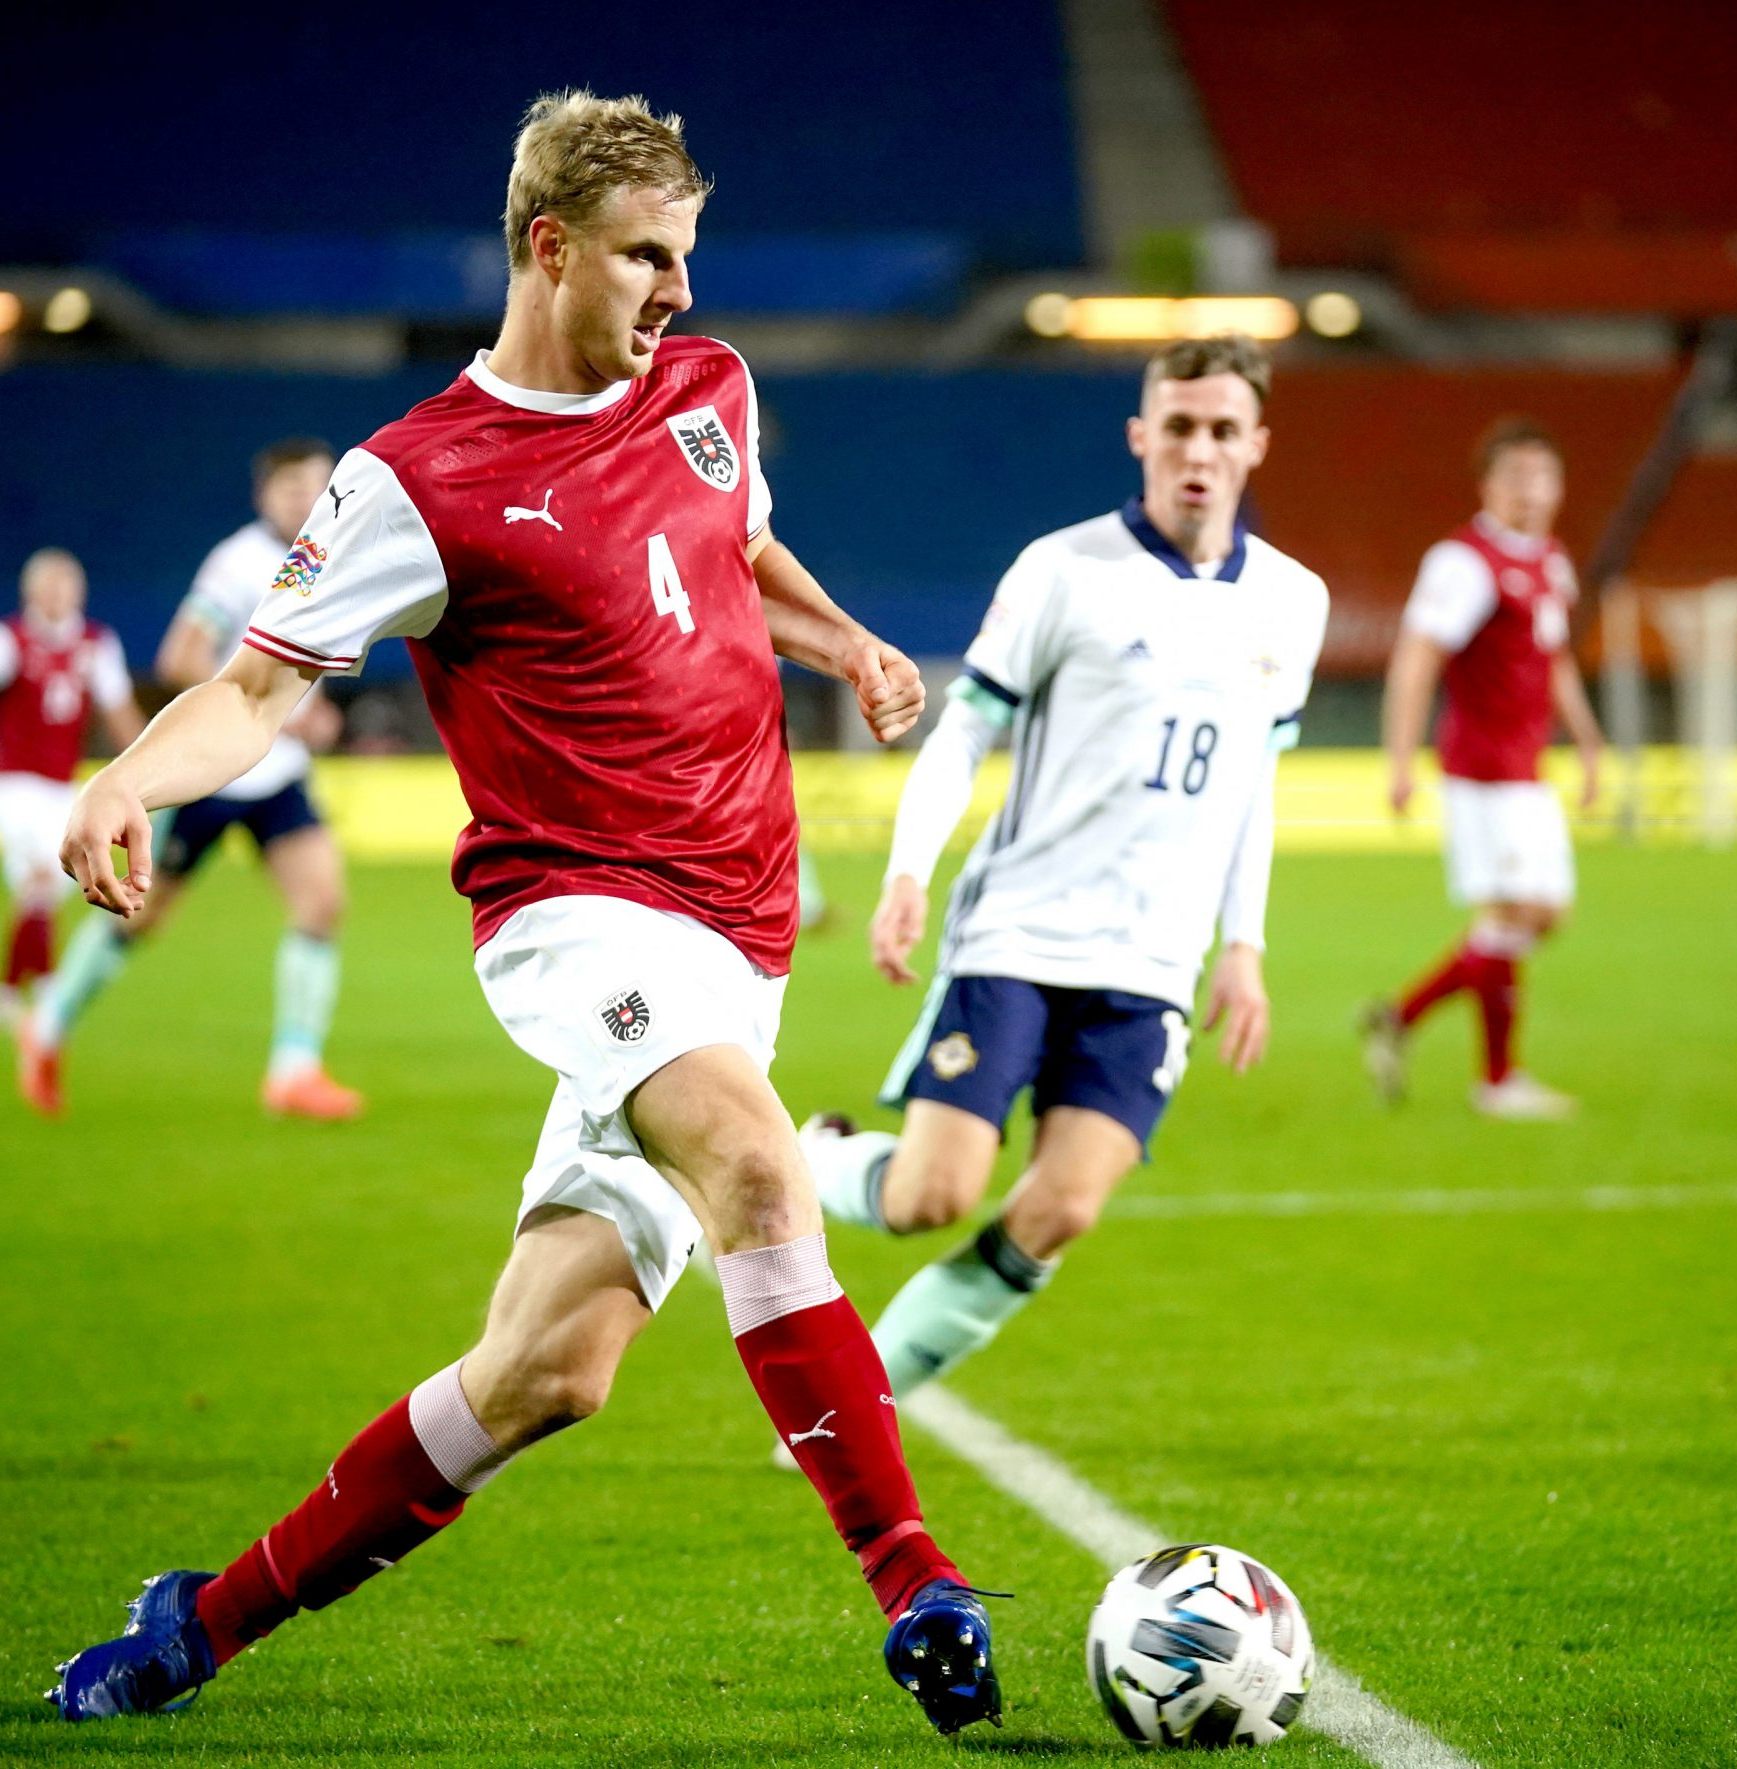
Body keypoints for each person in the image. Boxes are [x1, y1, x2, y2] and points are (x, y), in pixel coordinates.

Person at [47, 90, 999, 1738]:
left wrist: (840, 642)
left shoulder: (708, 390)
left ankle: (195, 1622)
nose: (677, 295)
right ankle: (919, 1580)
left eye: (686, 258)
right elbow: (263, 687)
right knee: (761, 1164)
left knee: (543, 1372)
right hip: (579, 914)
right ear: (548, 249)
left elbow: (740, 553)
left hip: (739, 928)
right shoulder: (414, 479)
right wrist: (132, 770)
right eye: (646, 258)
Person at [795, 334, 1327, 1409]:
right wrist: (908, 873)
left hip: (1153, 961)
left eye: (1222, 429)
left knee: (1062, 1208)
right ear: (1140, 435)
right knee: (929, 1194)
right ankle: (809, 1162)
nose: (1198, 449)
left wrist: (1246, 945)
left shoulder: (1290, 600)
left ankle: (856, 1411)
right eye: (1178, 425)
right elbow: (962, 731)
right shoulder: (1063, 569)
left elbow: (1249, 790)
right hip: (1021, 932)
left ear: (1254, 444)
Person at [17, 440, 361, 1120]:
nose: (305, 498)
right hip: (215, 772)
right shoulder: (236, 564)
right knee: (139, 919)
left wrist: (309, 717)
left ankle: (293, 1070)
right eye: (292, 486)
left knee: (321, 902)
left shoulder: (322, 555)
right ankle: (49, 1019)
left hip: (278, 777)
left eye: (317, 485)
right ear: (264, 493)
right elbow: (182, 656)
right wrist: (273, 713)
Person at [1360, 418, 1603, 1118]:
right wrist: (1399, 759)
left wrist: (1586, 742)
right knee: (1512, 909)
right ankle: (1497, 1079)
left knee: (1544, 913)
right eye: (1515, 476)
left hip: (1527, 769)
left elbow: (1551, 660)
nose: (1530, 490)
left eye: (1542, 476)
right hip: (1479, 769)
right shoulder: (1462, 563)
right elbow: (1417, 656)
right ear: (1487, 485)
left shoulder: (1550, 561)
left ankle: (1399, 1017)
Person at [0, 549, 142, 1039]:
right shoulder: (10, 640)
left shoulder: (95, 644)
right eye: (50, 586)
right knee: (40, 879)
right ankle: (33, 990)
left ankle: (24, 987)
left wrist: (147, 763)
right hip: (14, 784)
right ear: (31, 592)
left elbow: (118, 710)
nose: (60, 595)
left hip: (64, 787)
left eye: (68, 585)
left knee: (59, 884)